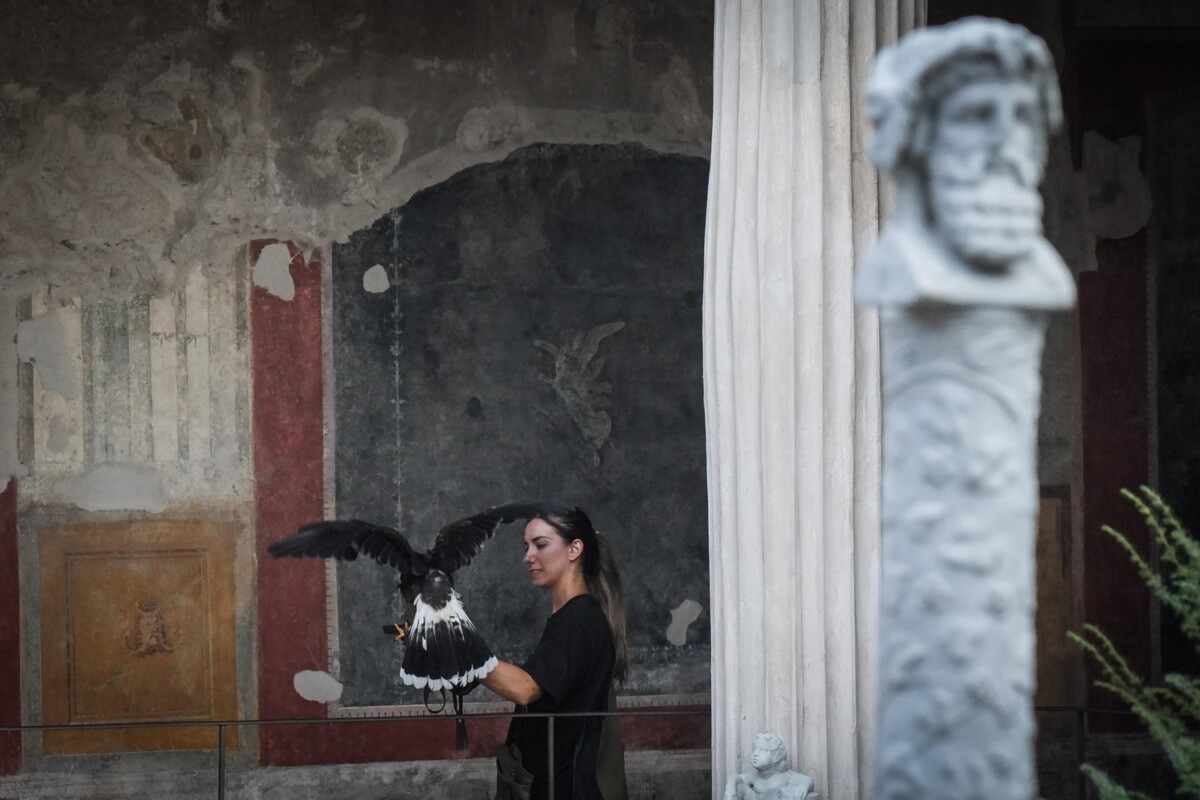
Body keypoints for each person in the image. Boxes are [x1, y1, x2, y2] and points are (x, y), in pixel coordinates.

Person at [855, 17, 1075, 310]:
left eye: (1021, 116)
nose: (1005, 145)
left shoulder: (1045, 271)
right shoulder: (903, 267)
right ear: (921, 137)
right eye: (977, 115)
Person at [482, 501, 629, 800]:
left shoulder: (580, 620)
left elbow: (526, 688)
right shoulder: (570, 617)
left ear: (575, 549)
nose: (528, 557)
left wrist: (464, 655)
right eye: (526, 547)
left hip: (567, 790)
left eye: (540, 544)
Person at [722, 733, 818, 800]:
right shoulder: (755, 776)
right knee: (739, 788)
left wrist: (803, 787)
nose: (755, 754)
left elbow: (807, 780)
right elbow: (736, 778)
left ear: (776, 756)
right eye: (755, 749)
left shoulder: (785, 776)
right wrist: (730, 786)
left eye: (763, 750)